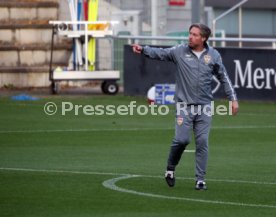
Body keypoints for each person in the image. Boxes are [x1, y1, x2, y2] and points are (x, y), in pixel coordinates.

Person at [132, 23, 239, 190]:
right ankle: (170, 168)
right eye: (190, 33)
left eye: (195, 34)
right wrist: (143, 49)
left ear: (203, 38)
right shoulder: (179, 51)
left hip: (204, 107)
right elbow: (161, 53)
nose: (190, 37)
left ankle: (200, 179)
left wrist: (233, 98)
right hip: (184, 106)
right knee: (182, 140)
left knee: (202, 142)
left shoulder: (213, 55)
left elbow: (224, 77)